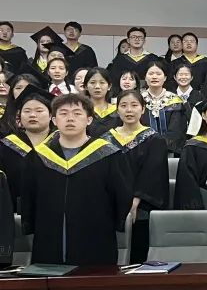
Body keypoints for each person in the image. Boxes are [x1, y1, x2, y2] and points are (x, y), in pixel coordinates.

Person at [21, 93, 131, 265]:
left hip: (97, 236)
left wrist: (111, 222)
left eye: (77, 113)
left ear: (89, 119)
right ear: (54, 120)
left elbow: (122, 195)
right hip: (48, 236)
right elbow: (29, 196)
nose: (70, 118)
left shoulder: (108, 155)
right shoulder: (39, 156)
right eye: (63, 113)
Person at [110, 89, 169, 263]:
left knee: (139, 252)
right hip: (112, 204)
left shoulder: (154, 140)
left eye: (134, 105)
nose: (129, 110)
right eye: (124, 105)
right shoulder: (106, 140)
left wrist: (135, 200)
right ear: (117, 109)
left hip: (143, 205)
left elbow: (152, 173)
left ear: (143, 109)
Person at [0, 85, 53, 207]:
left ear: (51, 115)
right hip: (14, 209)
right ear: (19, 116)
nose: (32, 115)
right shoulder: (6, 146)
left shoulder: (61, 144)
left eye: (39, 111)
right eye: (27, 111)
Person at [141, 60, 187, 155]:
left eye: (158, 74)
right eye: (151, 74)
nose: (154, 77)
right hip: (142, 151)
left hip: (169, 152)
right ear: (145, 77)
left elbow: (177, 130)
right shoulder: (138, 100)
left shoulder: (175, 100)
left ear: (165, 77)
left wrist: (161, 146)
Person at [84, 67, 121, 137]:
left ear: (109, 86)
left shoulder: (117, 111)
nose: (97, 86)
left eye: (102, 83)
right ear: (86, 86)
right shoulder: (81, 110)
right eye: (92, 82)